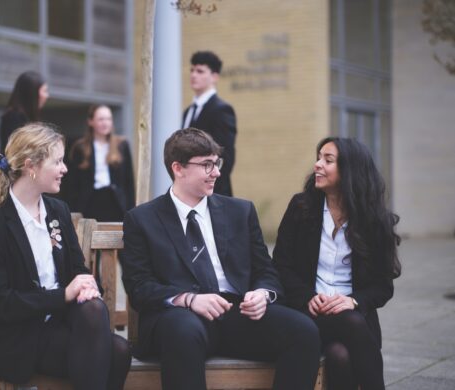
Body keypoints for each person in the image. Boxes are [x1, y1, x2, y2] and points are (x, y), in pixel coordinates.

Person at [120, 128, 321, 390]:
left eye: (217, 163)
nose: (216, 172)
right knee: (183, 331)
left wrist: (262, 294)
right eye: (206, 165)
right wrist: (190, 300)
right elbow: (139, 286)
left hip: (236, 313)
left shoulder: (240, 211)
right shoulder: (142, 219)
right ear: (178, 168)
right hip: (179, 316)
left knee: (303, 331)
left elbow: (266, 269)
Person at [0, 123, 131, 388]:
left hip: (60, 322)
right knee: (116, 352)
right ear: (31, 167)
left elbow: (78, 267)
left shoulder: (57, 210)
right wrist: (64, 294)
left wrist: (86, 285)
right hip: (17, 335)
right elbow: (0, 303)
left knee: (100, 318)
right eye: (58, 161)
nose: (65, 169)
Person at [273, 137, 402, 390]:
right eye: (319, 157)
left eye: (327, 160)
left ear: (350, 170)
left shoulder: (374, 221)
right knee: (351, 323)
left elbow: (383, 287)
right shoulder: (301, 208)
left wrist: (352, 300)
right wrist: (307, 297)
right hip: (307, 316)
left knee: (339, 355)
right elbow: (280, 265)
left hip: (352, 319)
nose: (317, 165)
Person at [61, 104, 135, 222]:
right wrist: (71, 210)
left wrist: (131, 210)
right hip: (89, 202)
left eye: (108, 119)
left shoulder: (122, 145)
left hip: (115, 202)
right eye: (101, 119)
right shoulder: (79, 147)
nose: (105, 123)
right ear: (91, 121)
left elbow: (129, 182)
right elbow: (71, 183)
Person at [182, 51, 236, 196]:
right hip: (189, 191)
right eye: (192, 70)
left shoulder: (222, 110)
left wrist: (211, 194)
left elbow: (225, 157)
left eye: (200, 71)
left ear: (214, 77)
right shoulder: (188, 112)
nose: (193, 75)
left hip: (212, 194)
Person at [0, 71, 49, 152]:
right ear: (32, 92)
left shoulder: (26, 118)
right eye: (44, 91)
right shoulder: (13, 117)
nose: (47, 95)